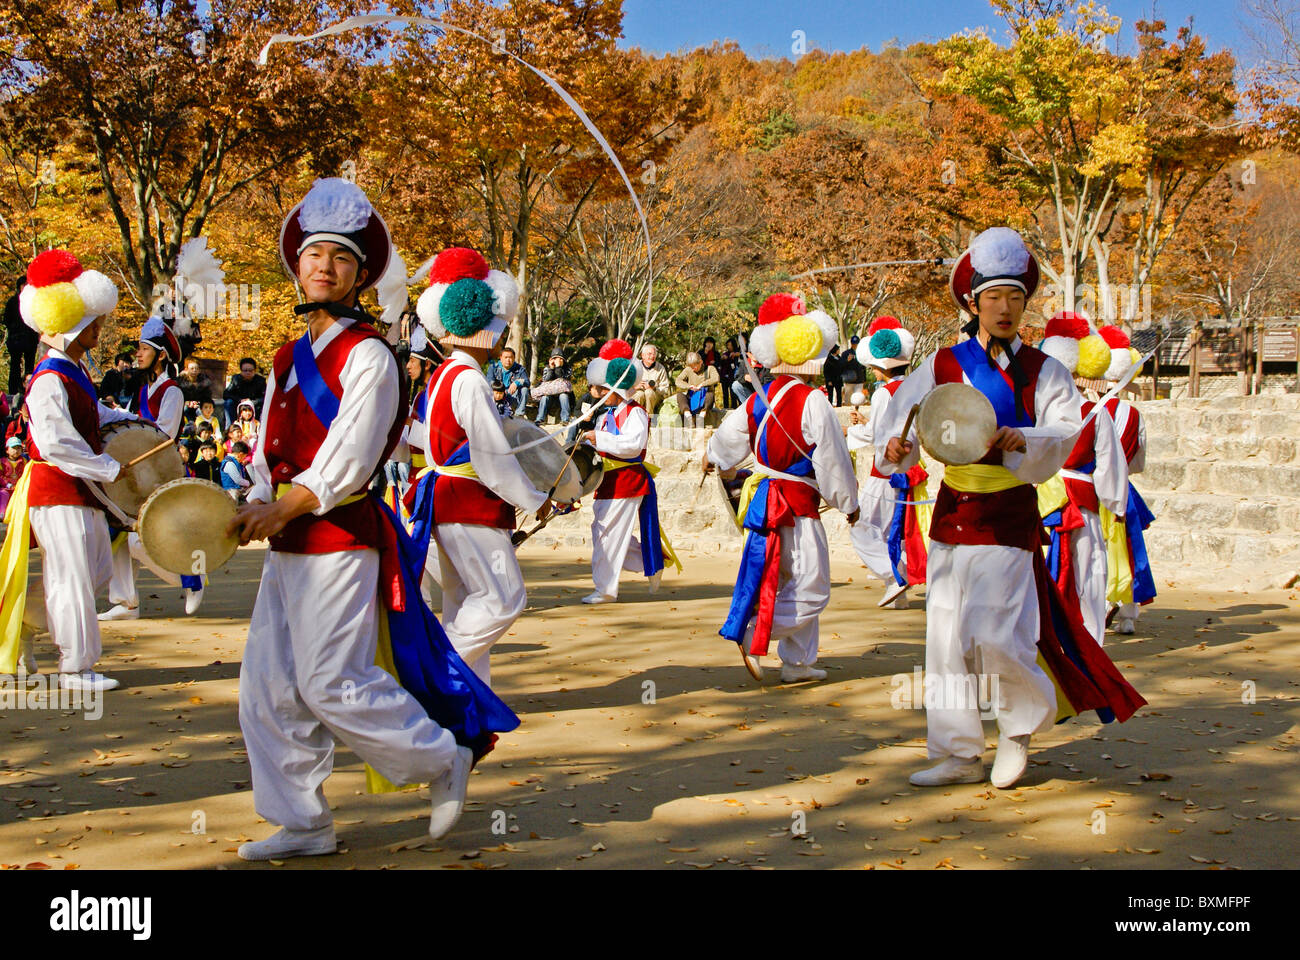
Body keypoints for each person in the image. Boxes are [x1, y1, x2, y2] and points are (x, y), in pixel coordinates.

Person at [229, 180, 517, 861]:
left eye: (339, 257)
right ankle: (303, 823)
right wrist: (254, 497)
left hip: (339, 539)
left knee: (332, 680)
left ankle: (440, 759)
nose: (322, 266)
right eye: (312, 254)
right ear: (296, 265)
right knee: (267, 689)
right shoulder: (281, 358)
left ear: (360, 274)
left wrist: (286, 504)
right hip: (289, 541)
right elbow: (271, 448)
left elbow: (350, 457)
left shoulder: (369, 354)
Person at [876, 227, 1145, 790]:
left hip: (1009, 514)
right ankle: (956, 750)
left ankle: (1016, 731)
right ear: (973, 303)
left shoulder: (1046, 370)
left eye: (1015, 298)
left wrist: (1025, 438)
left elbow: (1069, 431)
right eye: (993, 298)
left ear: (1026, 302)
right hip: (953, 511)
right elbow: (900, 422)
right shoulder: (943, 364)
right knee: (946, 637)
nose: (1004, 308)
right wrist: (894, 451)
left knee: (993, 631)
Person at [407, 245, 554, 686]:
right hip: (467, 501)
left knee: (464, 599)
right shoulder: (469, 379)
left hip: (441, 498)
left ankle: (470, 696)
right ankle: (437, 674)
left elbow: (418, 439)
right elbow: (491, 458)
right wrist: (536, 498)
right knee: (502, 598)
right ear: (486, 332)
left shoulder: (441, 376)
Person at [0, 249, 138, 690]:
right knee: (75, 578)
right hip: (58, 487)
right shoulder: (47, 377)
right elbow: (58, 442)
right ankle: (76, 667)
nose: (100, 328)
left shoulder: (72, 370)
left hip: (78, 489)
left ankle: (24, 624)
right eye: (94, 321)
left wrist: (132, 425)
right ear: (76, 324)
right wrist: (107, 467)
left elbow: (93, 414)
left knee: (91, 571)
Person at [705, 294, 860, 683]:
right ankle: (758, 627)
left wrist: (716, 460)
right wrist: (848, 503)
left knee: (788, 577)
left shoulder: (759, 398)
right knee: (813, 585)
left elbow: (727, 439)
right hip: (796, 502)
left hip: (764, 499)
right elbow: (832, 459)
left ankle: (799, 663)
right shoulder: (814, 401)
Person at [101, 315, 205, 620]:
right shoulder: (143, 390)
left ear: (161, 354)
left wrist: (128, 421)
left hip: (161, 475)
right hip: (139, 473)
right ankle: (125, 602)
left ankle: (191, 578)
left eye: (145, 349)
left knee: (142, 537)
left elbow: (164, 435)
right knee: (119, 533)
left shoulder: (171, 390)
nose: (138, 354)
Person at [1038, 315, 1129, 649]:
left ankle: (1043, 638)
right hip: (1081, 499)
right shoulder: (1095, 410)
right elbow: (1109, 463)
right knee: (1089, 570)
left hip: (1041, 499)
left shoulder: (1036, 408)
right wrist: (1116, 504)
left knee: (1041, 568)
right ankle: (1090, 639)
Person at [581, 340, 681, 604]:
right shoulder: (605, 415)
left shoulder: (636, 413)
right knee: (602, 532)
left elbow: (634, 446)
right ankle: (654, 559)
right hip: (608, 480)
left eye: (603, 389)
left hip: (627, 480)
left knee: (607, 534)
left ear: (615, 389)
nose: (599, 394)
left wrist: (599, 440)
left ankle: (605, 590)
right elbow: (599, 444)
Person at [846, 316, 929, 610]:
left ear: (878, 366)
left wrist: (851, 430)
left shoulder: (883, 393)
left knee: (862, 526)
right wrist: (865, 425)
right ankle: (898, 591)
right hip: (910, 471)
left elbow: (877, 435)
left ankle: (895, 577)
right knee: (895, 531)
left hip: (884, 475)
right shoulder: (915, 390)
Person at [1095, 325, 1156, 635]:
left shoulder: (1089, 410)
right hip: (1123, 488)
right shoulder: (1134, 415)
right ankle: (1128, 616)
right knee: (1128, 547)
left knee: (1098, 547)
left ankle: (1098, 602)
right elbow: (1138, 461)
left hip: (1089, 486)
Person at [4, 276, 39, 395]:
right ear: (19, 287)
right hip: (16, 340)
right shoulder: (13, 302)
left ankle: (28, 391)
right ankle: (14, 391)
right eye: (23, 285)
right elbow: (6, 320)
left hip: (30, 339)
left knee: (29, 367)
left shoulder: (34, 303)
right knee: (15, 367)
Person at [673, 351, 720, 429]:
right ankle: (688, 417)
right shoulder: (688, 370)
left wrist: (702, 385)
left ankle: (701, 418)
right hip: (692, 398)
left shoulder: (710, 369)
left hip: (704, 399)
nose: (693, 369)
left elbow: (716, 378)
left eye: (695, 366)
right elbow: (678, 381)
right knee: (680, 395)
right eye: (691, 367)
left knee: (710, 395)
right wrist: (689, 386)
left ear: (700, 362)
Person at [533, 347, 574, 425]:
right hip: (549, 396)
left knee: (563, 396)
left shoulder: (568, 368)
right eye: (554, 358)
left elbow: (563, 381)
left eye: (559, 359)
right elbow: (545, 380)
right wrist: (551, 368)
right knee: (545, 397)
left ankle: (565, 419)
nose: (557, 361)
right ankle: (540, 419)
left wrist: (559, 367)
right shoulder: (547, 368)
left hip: (562, 397)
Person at [486, 346, 529, 417]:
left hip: (512, 395)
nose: (508, 360)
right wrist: (501, 389)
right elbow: (489, 382)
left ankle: (519, 414)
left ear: (514, 358)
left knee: (525, 389)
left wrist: (517, 383)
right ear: (501, 358)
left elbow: (527, 382)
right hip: (498, 395)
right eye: (506, 357)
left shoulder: (520, 369)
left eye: (510, 357)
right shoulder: (493, 367)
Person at [223, 357, 267, 425]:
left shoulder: (260, 381)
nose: (248, 373)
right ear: (241, 370)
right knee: (228, 403)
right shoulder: (235, 379)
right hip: (239, 404)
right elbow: (226, 394)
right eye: (245, 370)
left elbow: (265, 397)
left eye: (250, 370)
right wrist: (240, 400)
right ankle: (230, 428)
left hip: (255, 405)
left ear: (254, 370)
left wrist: (253, 402)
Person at [631, 343, 671, 417]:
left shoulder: (660, 368)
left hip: (654, 396)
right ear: (643, 356)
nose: (652, 356)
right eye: (649, 354)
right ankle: (636, 418)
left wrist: (654, 388)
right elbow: (626, 386)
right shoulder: (635, 367)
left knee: (649, 392)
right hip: (637, 393)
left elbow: (665, 388)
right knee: (639, 395)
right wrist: (636, 386)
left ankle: (649, 419)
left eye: (654, 354)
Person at [0, 436, 28, 516]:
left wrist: (20, 485)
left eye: (19, 448)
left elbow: (25, 474)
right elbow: (0, 476)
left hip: (19, 487)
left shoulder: (24, 461)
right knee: (3, 494)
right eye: (13, 448)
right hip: (7, 487)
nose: (16, 451)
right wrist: (8, 484)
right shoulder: (2, 462)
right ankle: (2, 513)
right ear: (7, 450)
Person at [718, 337, 741, 409]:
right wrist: (722, 358)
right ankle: (725, 408)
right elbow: (720, 364)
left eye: (730, 345)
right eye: (727, 345)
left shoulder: (737, 353)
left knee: (733, 393)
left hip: (733, 377)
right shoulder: (725, 354)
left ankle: (734, 407)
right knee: (725, 394)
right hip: (724, 377)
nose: (729, 347)